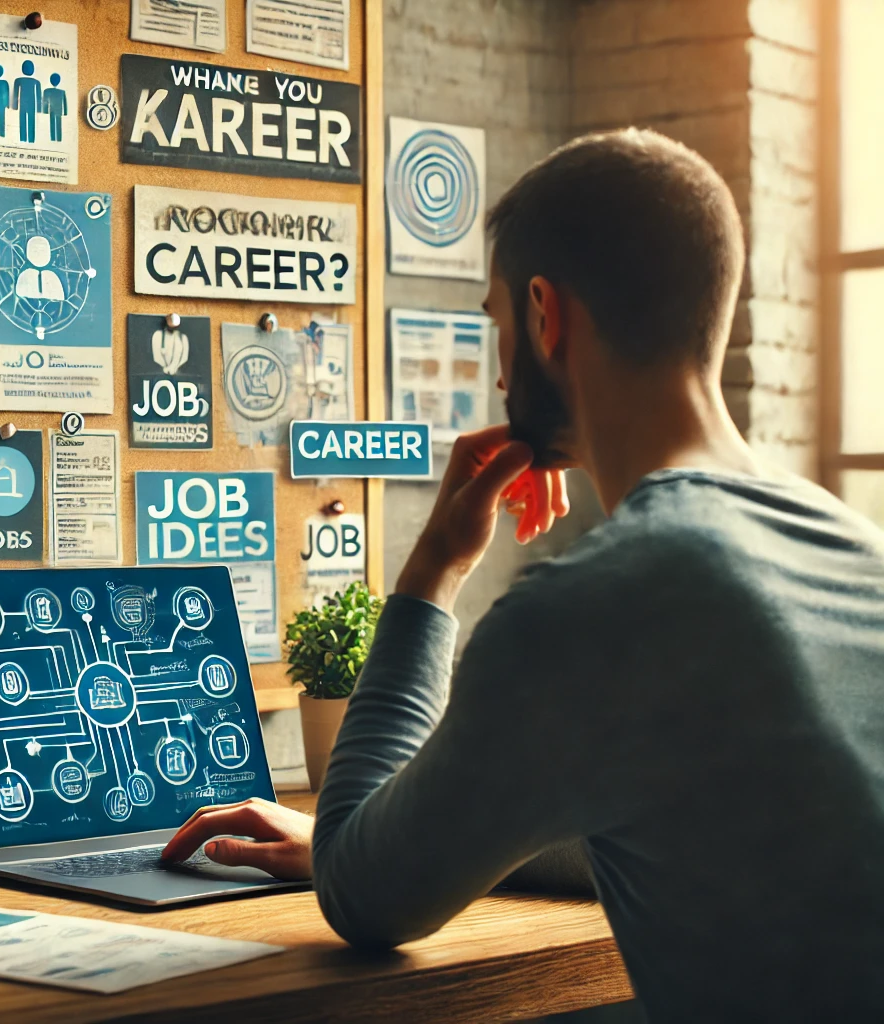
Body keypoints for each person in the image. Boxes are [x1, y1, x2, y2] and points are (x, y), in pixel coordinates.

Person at [162, 128, 884, 1019]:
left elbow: (363, 900)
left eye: (496, 325)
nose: (500, 371)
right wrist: (413, 830)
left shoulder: (590, 610)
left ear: (547, 317)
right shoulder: (858, 549)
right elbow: (653, 813)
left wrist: (433, 568)